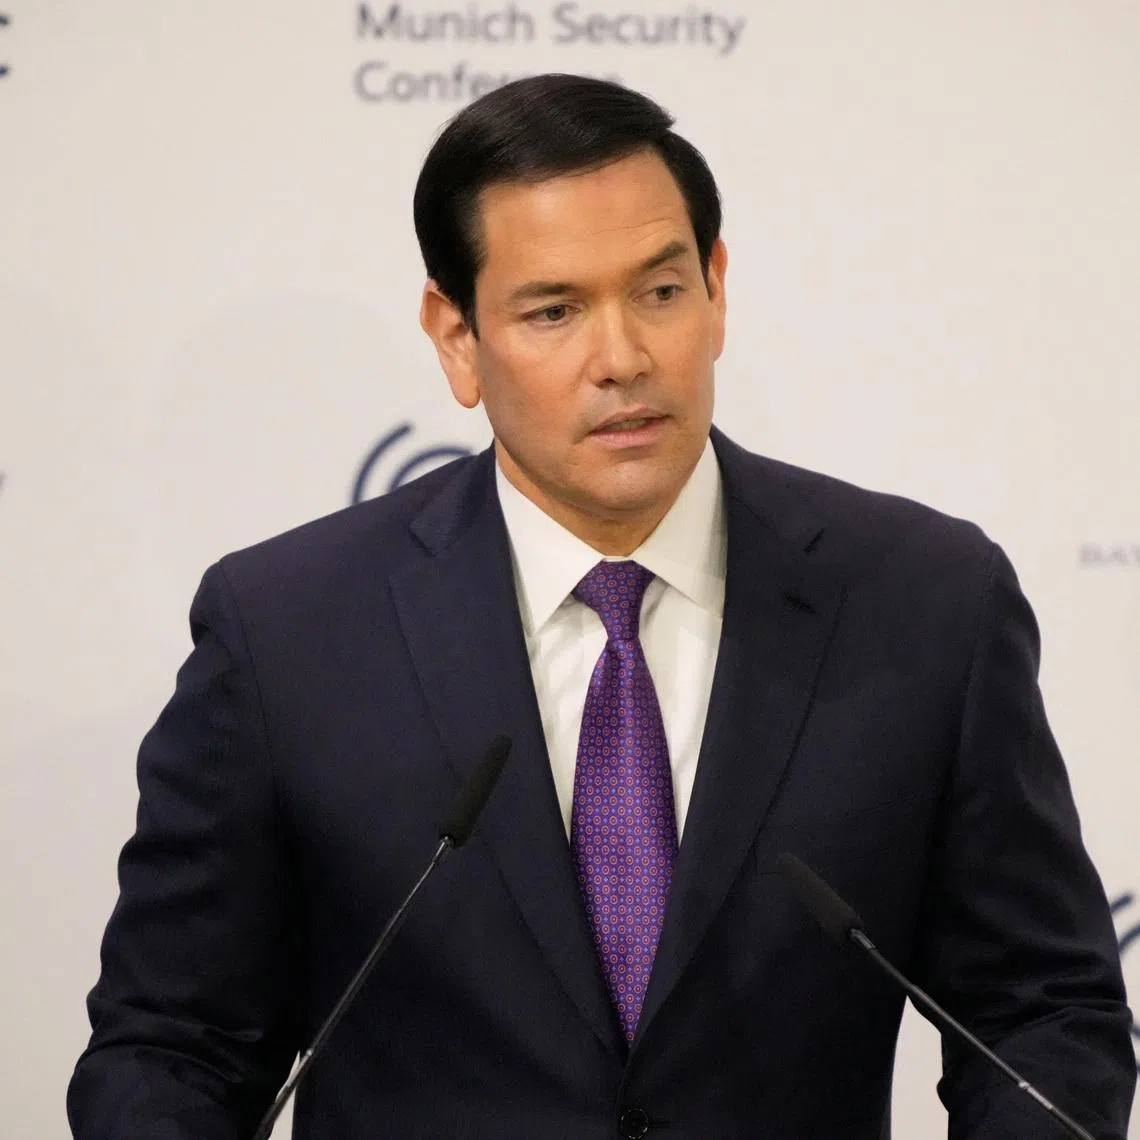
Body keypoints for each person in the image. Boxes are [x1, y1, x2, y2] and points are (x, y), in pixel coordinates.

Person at [68, 74, 1134, 1139]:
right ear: (456, 337)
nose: (622, 359)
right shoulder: (289, 633)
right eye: (554, 311)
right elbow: (171, 1048)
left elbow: (1042, 1016)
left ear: (717, 290)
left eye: (660, 292)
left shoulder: (925, 602)